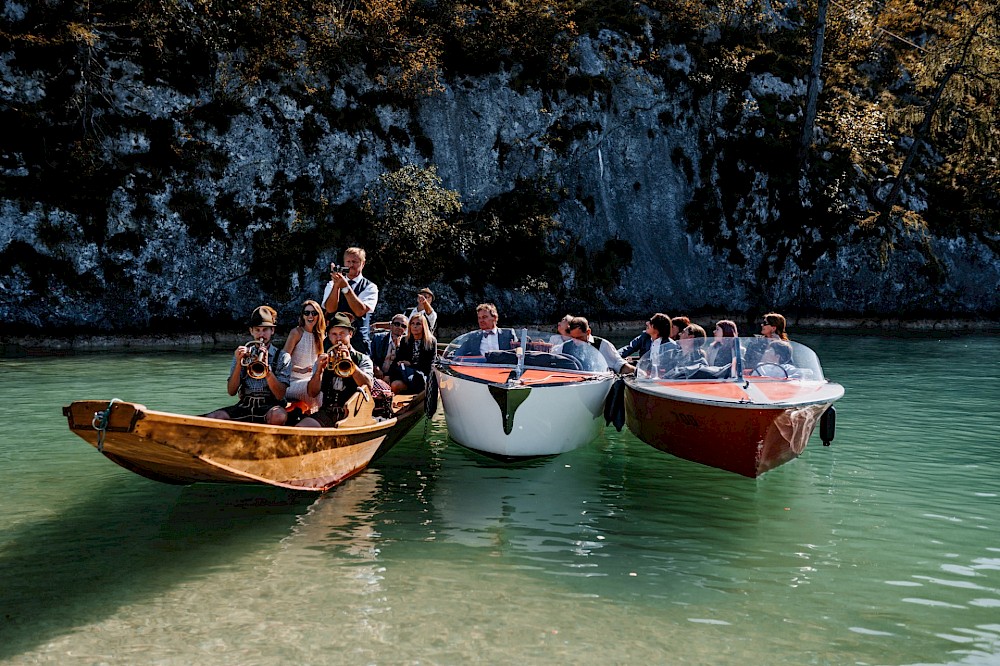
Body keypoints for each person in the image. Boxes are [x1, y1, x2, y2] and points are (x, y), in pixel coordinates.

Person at [203, 305, 292, 425]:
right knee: (214, 417)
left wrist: (267, 370)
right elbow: (231, 391)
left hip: (270, 406)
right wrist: (239, 363)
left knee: (279, 416)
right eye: (257, 330)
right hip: (245, 404)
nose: (261, 335)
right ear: (251, 331)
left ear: (272, 331)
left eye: (265, 330)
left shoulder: (283, 357)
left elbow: (280, 394)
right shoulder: (243, 354)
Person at [297, 313, 375, 428]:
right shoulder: (324, 359)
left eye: (342, 334)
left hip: (354, 414)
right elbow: (312, 393)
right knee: (301, 428)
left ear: (351, 334)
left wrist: (351, 364)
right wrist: (318, 372)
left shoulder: (362, 359)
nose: (338, 338)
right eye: (334, 334)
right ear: (328, 336)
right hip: (327, 412)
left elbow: (368, 386)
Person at [321, 247, 379, 355]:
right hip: (334, 339)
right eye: (348, 262)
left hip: (358, 340)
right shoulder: (331, 284)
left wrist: (345, 287)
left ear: (363, 263)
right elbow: (330, 308)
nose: (351, 265)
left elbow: (360, 311)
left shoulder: (370, 287)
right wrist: (336, 286)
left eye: (355, 262)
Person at [282, 300, 327, 414]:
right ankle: (313, 420)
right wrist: (300, 370)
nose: (310, 316)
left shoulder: (322, 336)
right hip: (292, 381)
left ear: (319, 315)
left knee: (324, 388)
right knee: (315, 391)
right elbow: (281, 362)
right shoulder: (296, 333)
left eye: (314, 313)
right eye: (307, 313)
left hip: (312, 380)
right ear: (303, 316)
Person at [565, 316, 635, 374]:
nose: (576, 342)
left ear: (588, 332)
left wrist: (638, 372)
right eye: (573, 338)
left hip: (596, 383)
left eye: (579, 338)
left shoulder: (603, 345)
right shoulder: (564, 347)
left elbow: (620, 365)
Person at [389, 312, 437, 394]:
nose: (415, 326)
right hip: (407, 375)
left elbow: (429, 365)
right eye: (412, 323)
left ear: (423, 326)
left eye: (418, 324)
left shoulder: (431, 342)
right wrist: (388, 374)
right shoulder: (405, 340)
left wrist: (410, 364)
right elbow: (398, 358)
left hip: (423, 376)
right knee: (395, 385)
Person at [453, 303, 518, 356]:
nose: (481, 320)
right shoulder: (473, 337)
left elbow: (518, 354)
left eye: (484, 317)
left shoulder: (508, 334)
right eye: (479, 318)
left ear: (494, 318)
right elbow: (459, 352)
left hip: (502, 369)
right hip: (480, 369)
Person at [371, 313, 407, 381]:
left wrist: (389, 375)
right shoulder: (378, 338)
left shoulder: (406, 343)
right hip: (375, 374)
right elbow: (369, 355)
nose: (399, 327)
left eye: (403, 326)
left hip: (393, 377)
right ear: (391, 326)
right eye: (397, 324)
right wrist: (375, 367)